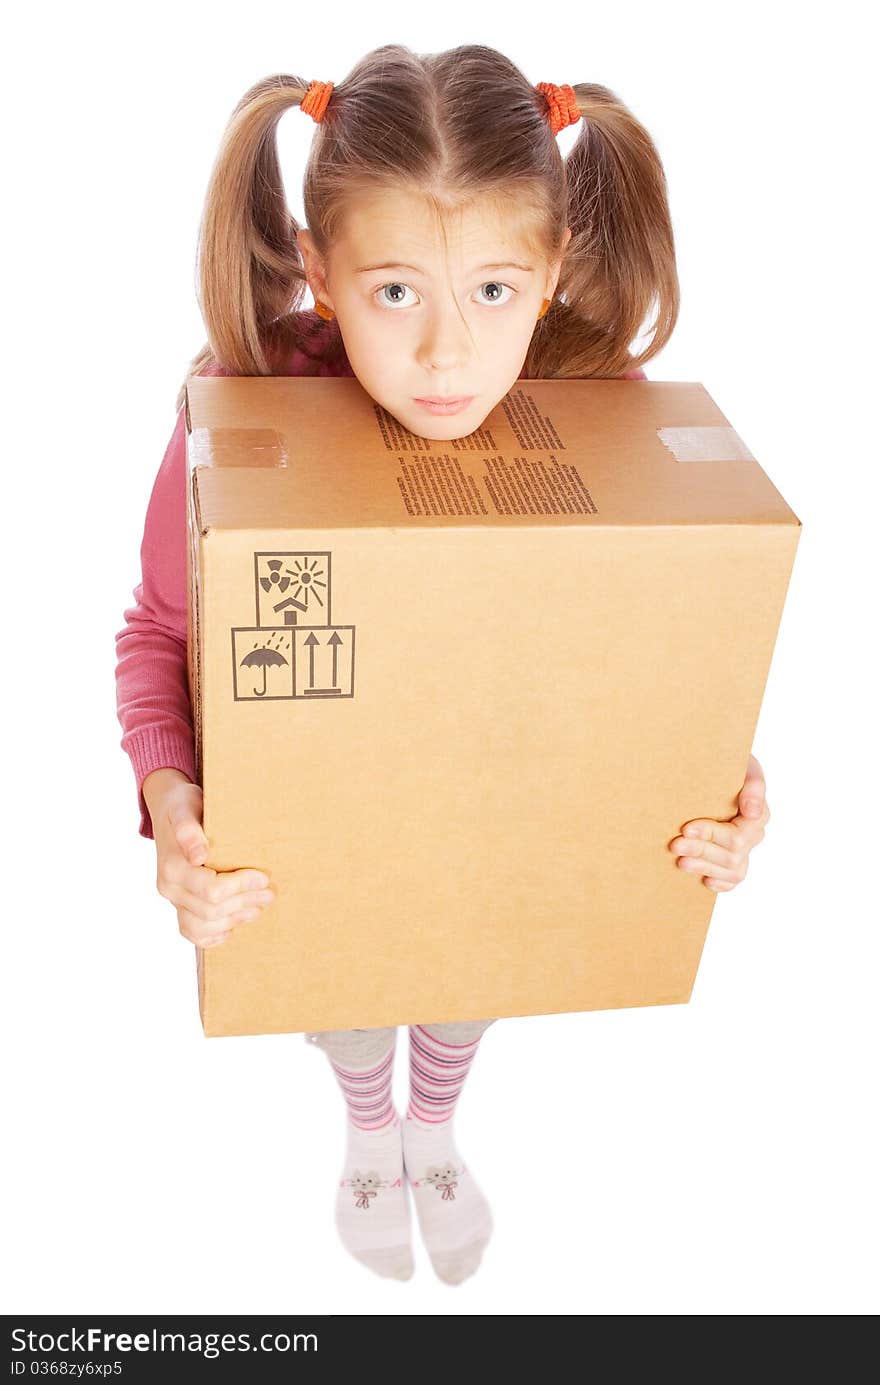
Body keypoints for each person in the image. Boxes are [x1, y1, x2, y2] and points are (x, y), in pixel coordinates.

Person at [114, 44, 771, 1288]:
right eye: (397, 293)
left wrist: (720, 782)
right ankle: (373, 1128)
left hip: (498, 808)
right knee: (353, 975)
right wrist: (170, 803)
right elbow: (155, 630)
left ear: (552, 272)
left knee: (474, 955)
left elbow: (654, 646)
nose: (448, 357)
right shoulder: (240, 408)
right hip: (324, 823)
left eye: (492, 291)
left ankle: (438, 1121)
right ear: (318, 272)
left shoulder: (601, 416)